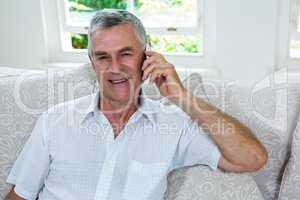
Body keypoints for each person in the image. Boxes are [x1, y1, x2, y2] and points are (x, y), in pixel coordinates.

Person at [5, 9, 267, 200]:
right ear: (91, 61)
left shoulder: (174, 126)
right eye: (103, 57)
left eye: (126, 54)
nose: (115, 68)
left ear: (147, 55)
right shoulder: (55, 120)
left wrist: (182, 96)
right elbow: (20, 195)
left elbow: (252, 158)